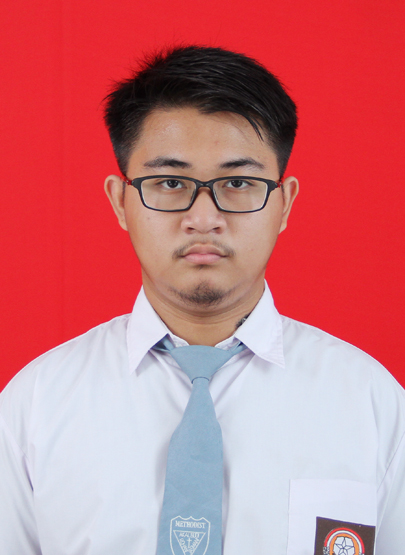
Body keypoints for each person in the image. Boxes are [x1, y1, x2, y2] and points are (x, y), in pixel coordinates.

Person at [0, 45, 404, 555]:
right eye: (171, 182)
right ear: (120, 201)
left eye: (238, 182)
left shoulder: (371, 403)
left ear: (284, 203)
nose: (204, 218)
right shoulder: (36, 405)